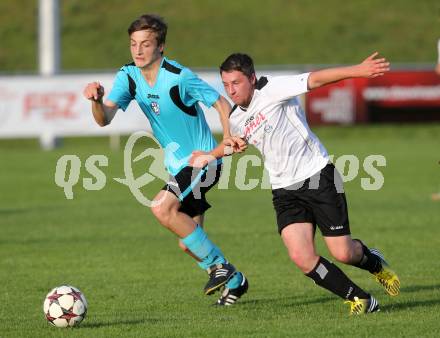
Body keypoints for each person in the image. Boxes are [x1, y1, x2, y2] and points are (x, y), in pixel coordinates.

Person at [83, 14, 248, 306]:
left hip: (203, 162)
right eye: (134, 44)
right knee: (188, 242)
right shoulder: (129, 77)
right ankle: (235, 282)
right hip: (178, 167)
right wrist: (96, 101)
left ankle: (221, 266)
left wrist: (226, 138)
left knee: (161, 207)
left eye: (146, 44)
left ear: (161, 47)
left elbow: (221, 102)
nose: (138, 50)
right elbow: (104, 120)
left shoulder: (178, 76)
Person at [217, 52, 401, 314]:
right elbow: (235, 144)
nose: (231, 90)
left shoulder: (273, 89)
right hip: (284, 190)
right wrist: (207, 156)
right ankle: (361, 299)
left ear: (252, 78)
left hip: (317, 175)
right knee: (301, 257)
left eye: (236, 83)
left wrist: (357, 70)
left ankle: (374, 264)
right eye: (226, 85)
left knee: (344, 253)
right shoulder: (235, 117)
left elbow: (316, 79)